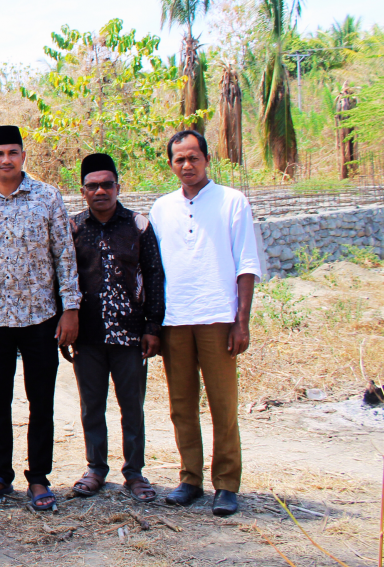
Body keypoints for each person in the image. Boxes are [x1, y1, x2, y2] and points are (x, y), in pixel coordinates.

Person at [0, 125, 80, 511]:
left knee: (40, 402)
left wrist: (70, 310)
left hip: (41, 318)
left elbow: (65, 256)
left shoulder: (47, 197)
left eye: (13, 152)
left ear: (23, 157)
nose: (6, 160)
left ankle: (39, 478)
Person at [149, 130, 260, 517]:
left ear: (207, 159)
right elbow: (154, 270)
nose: (187, 165)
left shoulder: (232, 201)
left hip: (218, 317)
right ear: (171, 164)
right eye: (179, 159)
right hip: (175, 320)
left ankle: (227, 484)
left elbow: (246, 265)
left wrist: (240, 322)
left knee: (223, 404)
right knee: (181, 405)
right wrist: (155, 324)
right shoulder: (161, 209)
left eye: (193, 157)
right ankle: (189, 479)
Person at [66, 153, 165, 503]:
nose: (100, 191)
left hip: (130, 336)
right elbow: (63, 279)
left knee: (131, 406)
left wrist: (153, 326)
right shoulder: (73, 229)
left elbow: (154, 276)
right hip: (88, 336)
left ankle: (134, 472)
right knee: (92, 404)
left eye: (107, 184)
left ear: (118, 187)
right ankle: (95, 468)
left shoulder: (138, 226)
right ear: (83, 191)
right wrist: (65, 322)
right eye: (92, 186)